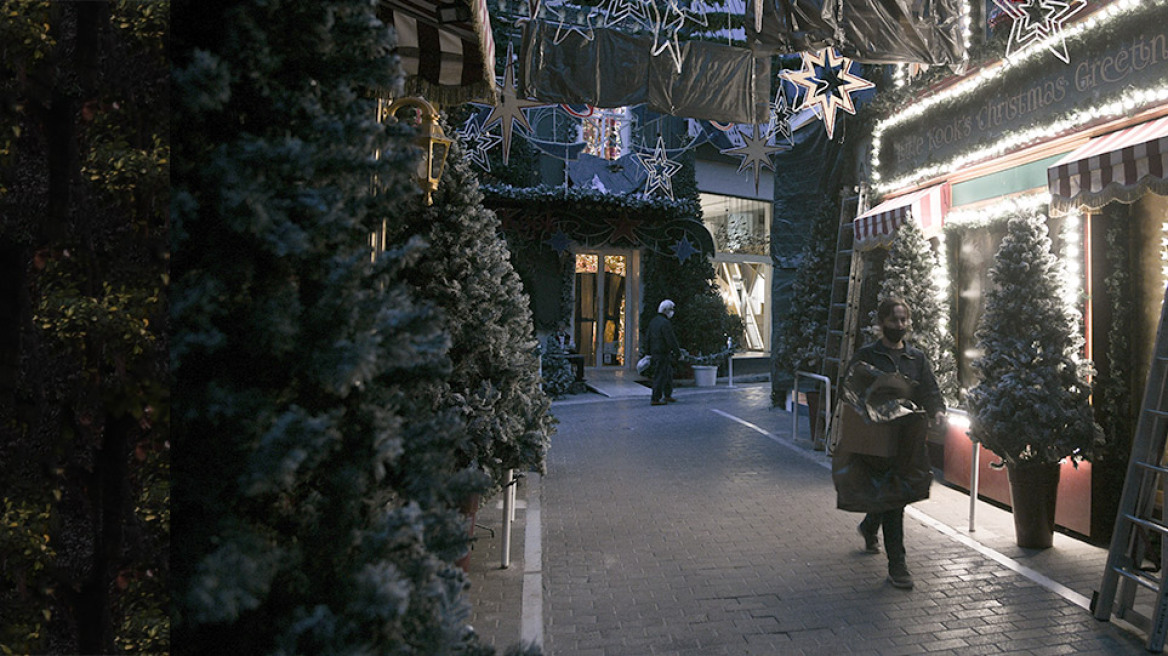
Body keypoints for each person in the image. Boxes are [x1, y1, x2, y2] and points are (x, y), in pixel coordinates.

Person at [832, 298, 945, 590]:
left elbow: (930, 390)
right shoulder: (867, 356)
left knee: (893, 495)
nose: (901, 325)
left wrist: (938, 410)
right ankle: (898, 564)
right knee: (894, 500)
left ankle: (870, 526)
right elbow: (850, 391)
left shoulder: (916, 358)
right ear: (881, 323)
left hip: (906, 439)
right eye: (895, 320)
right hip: (876, 440)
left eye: (905, 320)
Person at [645, 299, 680, 406]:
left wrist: (648, 352)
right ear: (666, 310)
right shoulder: (665, 323)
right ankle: (656, 398)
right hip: (663, 353)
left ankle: (667, 395)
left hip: (655, 352)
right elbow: (671, 339)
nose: (672, 312)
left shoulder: (653, 321)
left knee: (667, 374)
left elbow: (648, 338)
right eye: (671, 310)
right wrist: (677, 352)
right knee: (661, 375)